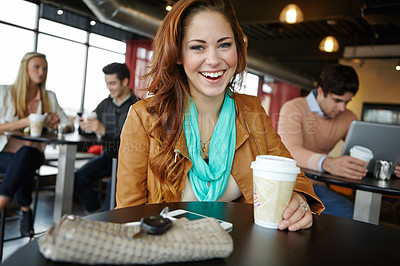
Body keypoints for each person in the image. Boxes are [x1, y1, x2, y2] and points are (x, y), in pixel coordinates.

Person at [116, 0, 324, 232]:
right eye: (198, 47)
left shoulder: (251, 111)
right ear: (178, 54)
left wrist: (299, 200)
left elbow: (291, 173)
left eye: (224, 45)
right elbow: (128, 215)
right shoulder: (144, 117)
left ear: (238, 48)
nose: (214, 60)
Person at [0, 52, 73, 237]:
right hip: (5, 154)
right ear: (25, 69)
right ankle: (26, 209)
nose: (41, 72)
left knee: (25, 154)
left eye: (45, 68)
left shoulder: (49, 97)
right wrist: (25, 121)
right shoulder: (5, 92)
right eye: (37, 67)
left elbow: (69, 125)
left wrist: (58, 123)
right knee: (22, 166)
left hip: (35, 154)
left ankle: (2, 204)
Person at [278, 64, 363, 219]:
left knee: (356, 213)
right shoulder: (294, 108)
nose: (342, 107)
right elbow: (290, 151)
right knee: (349, 214)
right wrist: (327, 163)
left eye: (347, 101)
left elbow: (364, 148)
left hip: (316, 186)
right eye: (337, 100)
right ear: (321, 91)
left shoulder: (348, 117)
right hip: (288, 184)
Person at [74, 63, 139, 213]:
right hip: (108, 157)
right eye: (107, 83)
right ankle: (96, 214)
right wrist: (84, 126)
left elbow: (133, 139)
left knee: (113, 196)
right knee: (79, 178)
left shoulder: (138, 105)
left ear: (125, 81)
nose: (109, 87)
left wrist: (104, 130)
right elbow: (89, 126)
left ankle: (107, 218)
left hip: (128, 161)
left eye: (113, 83)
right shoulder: (105, 104)